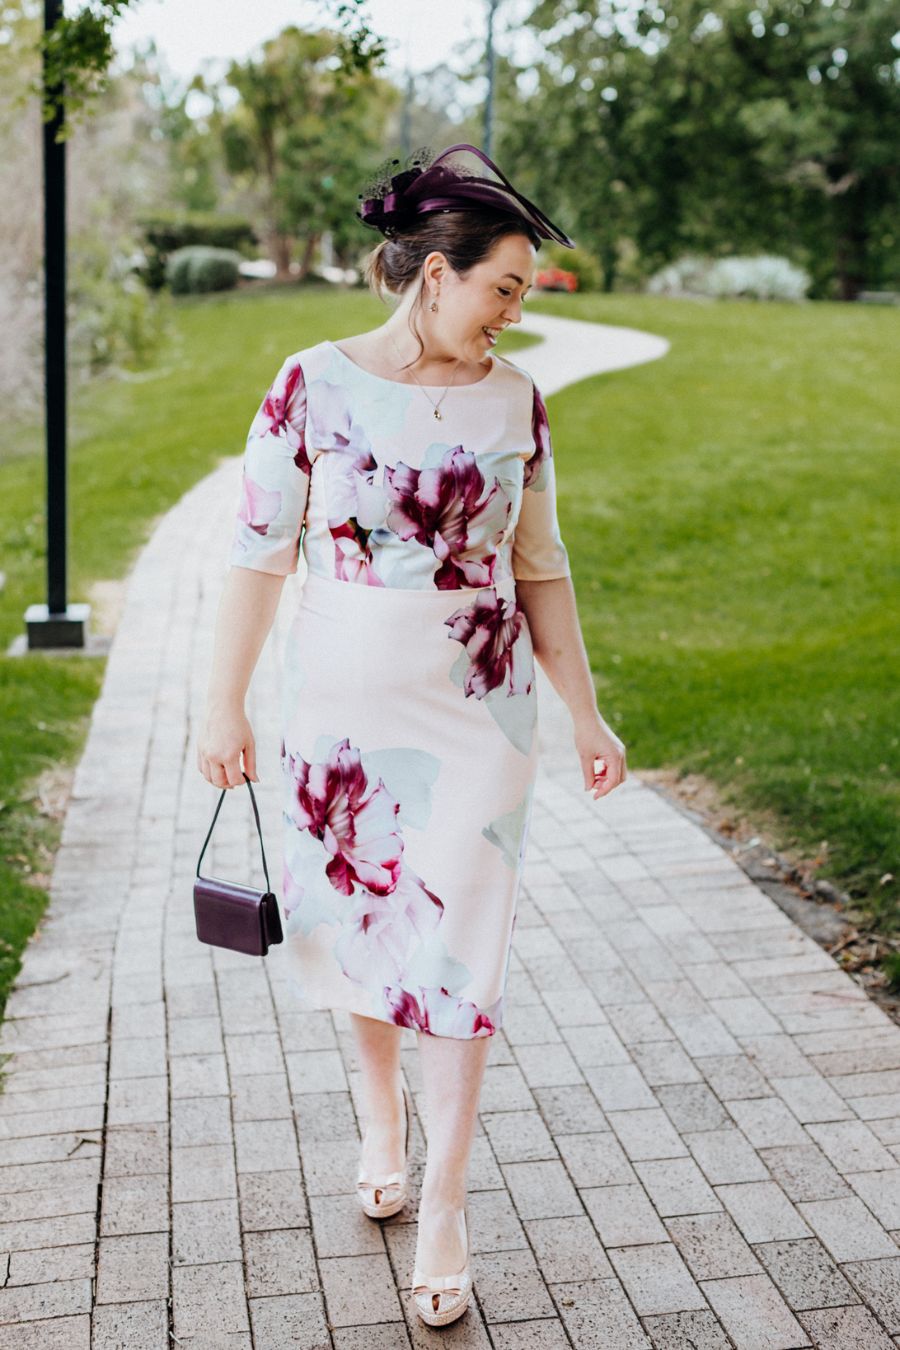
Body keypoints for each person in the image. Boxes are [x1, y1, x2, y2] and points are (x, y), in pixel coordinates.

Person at [197, 143, 626, 1329]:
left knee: (460, 951)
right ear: (433, 276)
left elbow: (542, 572)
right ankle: (377, 1115)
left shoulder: (516, 402)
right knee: (363, 927)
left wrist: (585, 712)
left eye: (524, 294)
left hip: (482, 713)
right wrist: (218, 702)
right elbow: (253, 553)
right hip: (338, 709)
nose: (514, 311)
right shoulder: (309, 384)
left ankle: (445, 1199)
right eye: (503, 287)